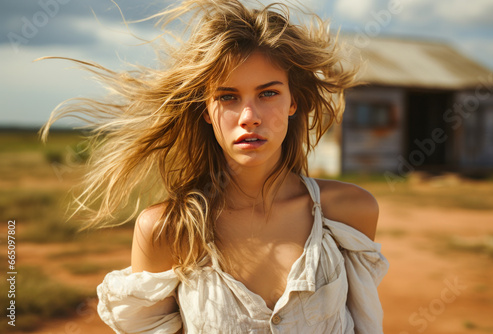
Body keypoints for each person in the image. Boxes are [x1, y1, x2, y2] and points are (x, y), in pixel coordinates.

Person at [41, 0, 389, 333]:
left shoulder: (347, 215)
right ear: (206, 111)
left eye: (268, 94)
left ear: (293, 102)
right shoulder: (167, 231)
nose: (249, 118)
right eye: (228, 97)